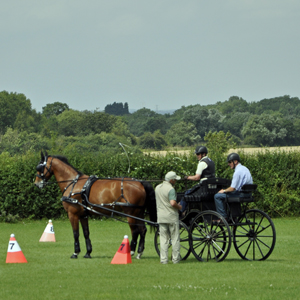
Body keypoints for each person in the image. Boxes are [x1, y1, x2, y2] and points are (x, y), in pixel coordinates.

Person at [214, 153, 253, 220]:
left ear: (235, 161)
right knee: (230, 194)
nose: (228, 164)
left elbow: (232, 188)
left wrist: (223, 190)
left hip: (241, 194)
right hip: (248, 194)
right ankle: (233, 216)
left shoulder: (237, 172)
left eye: (230, 162)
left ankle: (223, 217)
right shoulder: (245, 168)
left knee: (217, 196)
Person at [155, 171, 182, 264]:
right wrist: (179, 207)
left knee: (163, 239)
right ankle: (175, 259)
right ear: (171, 180)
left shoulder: (157, 188)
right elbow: (172, 203)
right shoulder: (171, 189)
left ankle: (163, 259)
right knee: (175, 238)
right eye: (175, 180)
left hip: (161, 217)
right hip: (171, 217)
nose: (175, 181)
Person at [180, 146, 215, 214]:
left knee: (187, 193)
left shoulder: (202, 163)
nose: (197, 156)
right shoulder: (211, 161)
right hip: (211, 188)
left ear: (203, 154)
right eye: (197, 154)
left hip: (204, 188)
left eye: (198, 154)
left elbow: (197, 177)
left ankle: (181, 211)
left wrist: (187, 177)